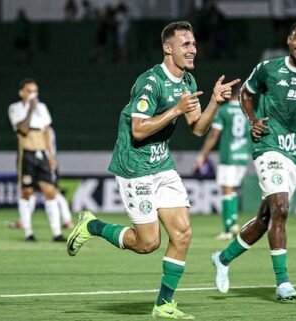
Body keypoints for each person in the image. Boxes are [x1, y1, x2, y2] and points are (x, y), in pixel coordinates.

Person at [66, 21, 239, 319]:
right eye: (185, 44)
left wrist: (212, 103)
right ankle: (92, 226)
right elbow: (137, 129)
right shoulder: (150, 82)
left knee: (183, 233)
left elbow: (198, 129)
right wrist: (175, 110)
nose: (192, 49)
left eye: (194, 43)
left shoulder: (188, 82)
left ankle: (164, 304)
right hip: (134, 165)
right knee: (148, 243)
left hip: (162, 164)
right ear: (167, 48)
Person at [211, 20, 296, 301]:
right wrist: (253, 120)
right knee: (281, 208)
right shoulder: (268, 68)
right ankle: (282, 283)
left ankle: (222, 258)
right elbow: (246, 93)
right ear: (289, 40)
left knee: (265, 217)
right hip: (267, 144)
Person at [8, 78, 65, 242]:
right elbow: (23, 129)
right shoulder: (15, 108)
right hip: (26, 154)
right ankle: (28, 233)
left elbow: (47, 132)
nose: (33, 94)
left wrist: (51, 156)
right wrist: (31, 108)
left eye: (35, 90)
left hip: (43, 155)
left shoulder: (43, 108)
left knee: (50, 192)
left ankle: (56, 233)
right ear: (22, 93)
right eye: (29, 91)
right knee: (27, 192)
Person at [194, 84, 250, 240]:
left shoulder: (224, 111)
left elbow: (214, 135)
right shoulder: (247, 111)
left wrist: (202, 156)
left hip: (229, 156)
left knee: (226, 190)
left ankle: (227, 229)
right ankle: (234, 224)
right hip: (243, 156)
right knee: (232, 190)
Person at [6, 127, 75, 230]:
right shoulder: (40, 128)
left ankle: (68, 220)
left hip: (45, 162)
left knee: (54, 193)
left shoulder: (44, 129)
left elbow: (46, 146)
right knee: (30, 191)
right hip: (40, 162)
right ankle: (24, 221)